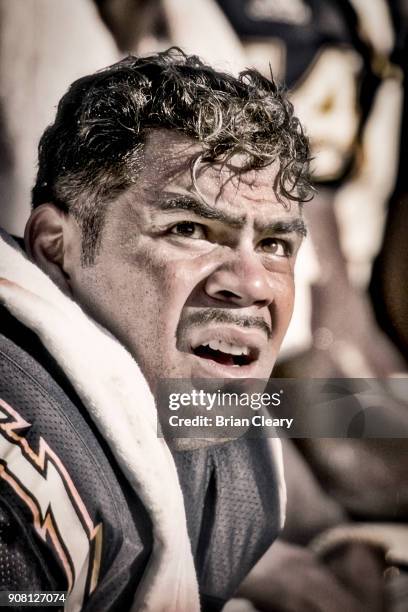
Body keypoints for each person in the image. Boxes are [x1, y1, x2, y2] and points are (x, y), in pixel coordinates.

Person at [0, 48, 312, 611]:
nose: (253, 284)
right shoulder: (19, 496)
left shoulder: (245, 476)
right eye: (189, 228)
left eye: (273, 245)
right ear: (54, 247)